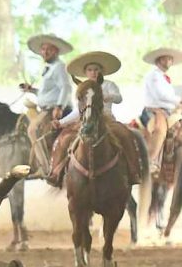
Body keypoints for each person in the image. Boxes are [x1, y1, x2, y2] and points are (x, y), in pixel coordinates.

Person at [47, 51, 140, 187]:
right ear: (85, 72)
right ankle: (55, 172)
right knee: (64, 137)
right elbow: (77, 111)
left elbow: (119, 98)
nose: (93, 72)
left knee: (125, 134)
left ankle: (134, 171)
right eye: (90, 70)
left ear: (101, 71)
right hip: (85, 120)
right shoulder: (82, 87)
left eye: (96, 69)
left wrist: (108, 96)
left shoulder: (108, 85)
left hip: (107, 119)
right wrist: (61, 122)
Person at [19, 34, 73, 177]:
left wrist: (59, 106)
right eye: (43, 49)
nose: (45, 52)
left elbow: (66, 88)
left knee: (33, 130)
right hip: (47, 107)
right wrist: (31, 90)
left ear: (56, 51)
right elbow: (48, 94)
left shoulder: (60, 67)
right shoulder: (49, 68)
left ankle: (46, 168)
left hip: (55, 110)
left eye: (49, 49)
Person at [142, 47, 182, 174]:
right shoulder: (153, 75)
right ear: (159, 60)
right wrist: (179, 100)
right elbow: (161, 95)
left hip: (168, 110)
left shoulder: (164, 78)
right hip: (155, 110)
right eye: (167, 58)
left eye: (171, 59)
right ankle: (152, 161)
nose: (170, 61)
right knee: (160, 129)